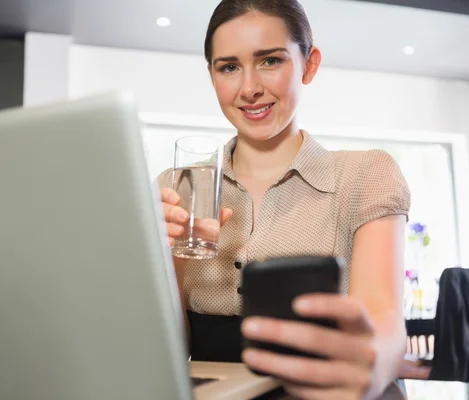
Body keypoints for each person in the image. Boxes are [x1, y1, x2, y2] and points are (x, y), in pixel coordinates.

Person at [157, 0, 411, 398]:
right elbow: (169, 351)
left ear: (309, 64)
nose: (250, 88)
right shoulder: (177, 185)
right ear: (212, 76)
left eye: (270, 61)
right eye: (229, 67)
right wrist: (162, 259)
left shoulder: (365, 174)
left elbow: (386, 323)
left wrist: (373, 365)